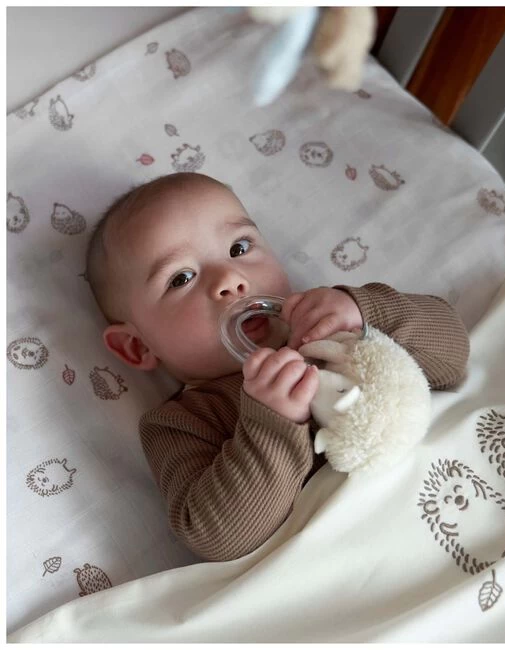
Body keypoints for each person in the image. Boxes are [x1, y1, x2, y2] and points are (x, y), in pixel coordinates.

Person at [86, 171, 470, 561]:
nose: (231, 279)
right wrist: (272, 423)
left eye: (239, 247)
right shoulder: (183, 422)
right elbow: (217, 539)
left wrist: (366, 310)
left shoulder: (334, 327)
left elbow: (454, 357)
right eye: (182, 278)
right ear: (137, 346)